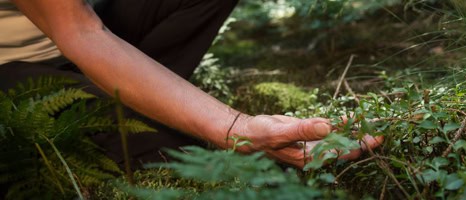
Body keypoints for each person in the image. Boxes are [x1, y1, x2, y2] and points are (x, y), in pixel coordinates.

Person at [0, 0, 383, 169]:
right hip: (17, 70)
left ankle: (142, 97)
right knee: (180, 152)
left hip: (89, 36)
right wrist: (238, 129)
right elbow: (81, 31)